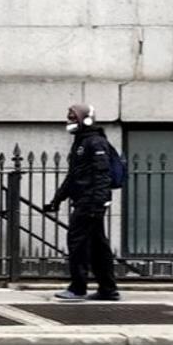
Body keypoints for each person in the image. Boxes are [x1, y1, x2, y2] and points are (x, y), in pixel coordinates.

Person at [43, 104, 120, 302]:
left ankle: (78, 288)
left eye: (72, 118)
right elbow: (73, 177)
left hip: (90, 202)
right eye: (69, 117)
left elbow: (102, 175)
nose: (69, 121)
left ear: (85, 120)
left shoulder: (95, 142)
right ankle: (108, 289)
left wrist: (98, 203)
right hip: (87, 201)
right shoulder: (81, 142)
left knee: (77, 243)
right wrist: (57, 200)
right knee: (98, 246)